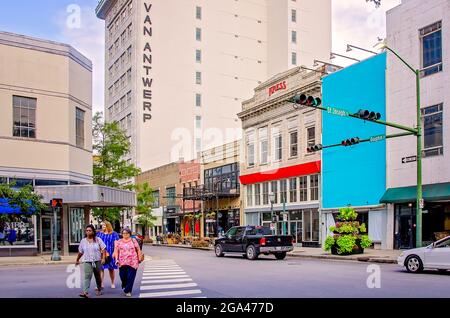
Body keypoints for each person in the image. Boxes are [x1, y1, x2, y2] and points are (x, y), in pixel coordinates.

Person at [76, 224, 106, 298]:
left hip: (97, 260)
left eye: (89, 230)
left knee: (97, 276)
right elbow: (80, 252)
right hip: (87, 261)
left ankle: (99, 289)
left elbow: (103, 248)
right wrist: (77, 259)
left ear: (93, 232)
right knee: (87, 276)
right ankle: (85, 292)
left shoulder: (98, 239)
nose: (88, 232)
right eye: (87, 231)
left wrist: (103, 258)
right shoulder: (83, 241)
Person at [113, 228, 143, 297]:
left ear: (129, 234)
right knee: (122, 276)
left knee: (130, 277)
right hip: (122, 262)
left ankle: (128, 290)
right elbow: (116, 251)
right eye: (124, 233)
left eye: (127, 233)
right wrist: (116, 259)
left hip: (133, 262)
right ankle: (125, 285)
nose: (125, 235)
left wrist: (139, 257)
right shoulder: (119, 241)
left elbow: (138, 249)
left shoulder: (133, 240)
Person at [97, 220, 120, 289]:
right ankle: (100, 283)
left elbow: (116, 244)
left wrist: (114, 253)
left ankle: (112, 282)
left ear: (108, 226)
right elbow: (97, 243)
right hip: (102, 253)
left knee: (111, 269)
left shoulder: (114, 234)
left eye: (104, 225)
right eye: (102, 225)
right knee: (101, 268)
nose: (103, 226)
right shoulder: (100, 234)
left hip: (111, 253)